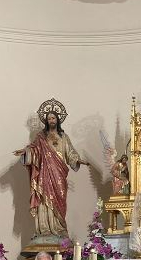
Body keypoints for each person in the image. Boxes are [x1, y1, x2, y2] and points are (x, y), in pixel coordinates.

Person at [14, 99, 90, 237]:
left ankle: (59, 228)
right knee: (44, 199)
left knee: (60, 198)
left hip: (59, 173)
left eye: (53, 118)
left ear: (58, 119)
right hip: (44, 173)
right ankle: (45, 229)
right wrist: (25, 151)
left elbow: (70, 152)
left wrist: (79, 160)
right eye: (49, 118)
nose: (51, 120)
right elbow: (34, 149)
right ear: (46, 121)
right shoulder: (41, 137)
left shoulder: (64, 137)